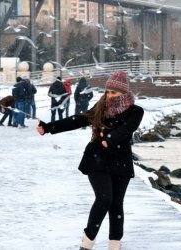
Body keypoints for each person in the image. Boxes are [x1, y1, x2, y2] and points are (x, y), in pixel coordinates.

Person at [36, 71, 144, 250]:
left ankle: (114, 247)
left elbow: (125, 130)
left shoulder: (136, 111)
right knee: (104, 199)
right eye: (108, 92)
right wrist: (48, 127)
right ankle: (86, 245)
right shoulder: (100, 107)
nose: (109, 96)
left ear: (124, 93)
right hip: (97, 159)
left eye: (114, 93)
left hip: (120, 161)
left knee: (116, 205)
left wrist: (108, 137)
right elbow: (79, 119)